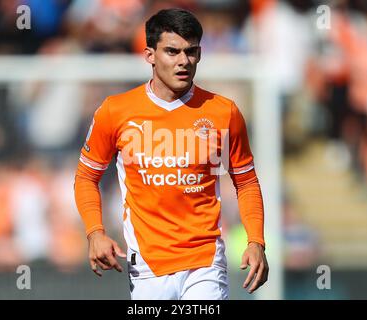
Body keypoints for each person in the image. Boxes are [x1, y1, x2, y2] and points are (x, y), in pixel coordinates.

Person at [74, 8, 268, 300]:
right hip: (148, 264)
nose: (183, 61)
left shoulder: (223, 112)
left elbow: (247, 182)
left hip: (205, 261)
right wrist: (95, 232)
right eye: (172, 51)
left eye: (191, 52)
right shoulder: (116, 111)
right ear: (149, 55)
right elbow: (86, 177)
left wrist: (256, 241)